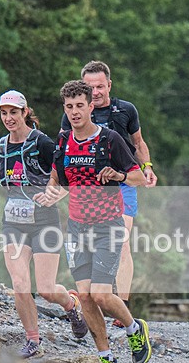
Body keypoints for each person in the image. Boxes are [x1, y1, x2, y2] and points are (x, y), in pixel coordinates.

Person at [40, 79, 153, 363]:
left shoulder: (111, 139)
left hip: (108, 225)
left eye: (80, 106)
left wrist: (117, 174)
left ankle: (133, 328)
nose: (75, 112)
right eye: (69, 107)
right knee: (86, 295)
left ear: (91, 106)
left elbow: (138, 179)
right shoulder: (63, 142)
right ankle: (105, 355)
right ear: (64, 109)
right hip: (77, 227)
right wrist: (48, 195)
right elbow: (58, 180)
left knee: (102, 294)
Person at [0, 89, 88, 358]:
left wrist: (55, 194)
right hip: (13, 222)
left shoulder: (43, 143)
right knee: (20, 284)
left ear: (25, 112)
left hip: (44, 222)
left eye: (14, 112)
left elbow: (68, 179)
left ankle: (71, 304)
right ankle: (33, 341)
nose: (9, 118)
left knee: (47, 290)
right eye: (4, 113)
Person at [61, 61, 156, 327]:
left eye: (100, 86)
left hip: (122, 182)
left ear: (109, 86)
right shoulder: (73, 112)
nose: (96, 92)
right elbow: (63, 149)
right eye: (90, 87)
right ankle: (94, 299)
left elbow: (138, 143)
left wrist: (147, 168)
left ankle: (121, 304)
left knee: (122, 240)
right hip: (87, 188)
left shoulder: (125, 110)